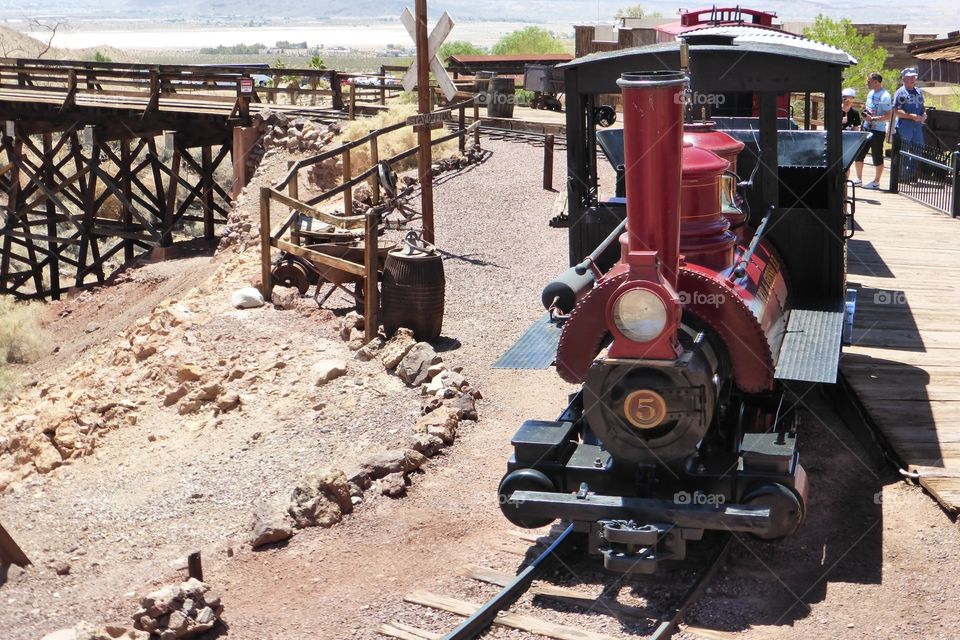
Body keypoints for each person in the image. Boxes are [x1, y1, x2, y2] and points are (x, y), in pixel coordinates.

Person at [855, 72, 892, 190]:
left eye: (869, 81)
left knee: (877, 155)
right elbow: (868, 108)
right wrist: (866, 114)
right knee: (859, 153)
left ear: (876, 82)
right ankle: (858, 179)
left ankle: (876, 181)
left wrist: (874, 119)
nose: (867, 83)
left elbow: (889, 115)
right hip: (866, 127)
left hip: (878, 130)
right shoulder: (870, 93)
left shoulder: (885, 96)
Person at [894, 67, 927, 182]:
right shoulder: (901, 93)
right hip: (905, 125)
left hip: (918, 126)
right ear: (904, 79)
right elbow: (896, 111)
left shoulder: (919, 91)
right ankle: (903, 176)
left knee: (919, 149)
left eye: (914, 77)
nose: (913, 79)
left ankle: (912, 174)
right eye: (910, 77)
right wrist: (910, 116)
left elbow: (922, 107)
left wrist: (924, 115)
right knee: (904, 149)